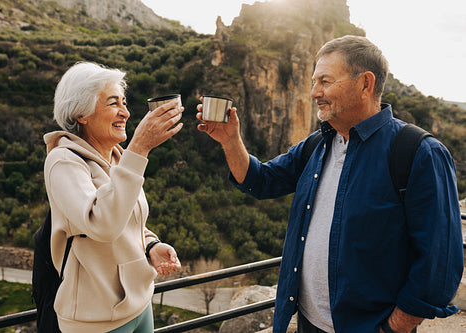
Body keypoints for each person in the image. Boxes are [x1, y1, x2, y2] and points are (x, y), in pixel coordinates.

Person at [196, 35, 464, 333]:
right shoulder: (318, 144)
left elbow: (439, 262)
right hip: (308, 323)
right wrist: (230, 139)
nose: (314, 93)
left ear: (365, 83)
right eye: (313, 82)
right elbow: (261, 181)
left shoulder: (419, 153)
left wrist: (392, 328)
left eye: (324, 81)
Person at [44, 61, 182, 333]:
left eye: (125, 102)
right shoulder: (63, 161)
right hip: (94, 321)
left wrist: (151, 245)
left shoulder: (118, 157)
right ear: (81, 113)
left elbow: (130, 221)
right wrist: (140, 148)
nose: (126, 113)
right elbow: (103, 224)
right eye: (112, 103)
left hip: (140, 305)